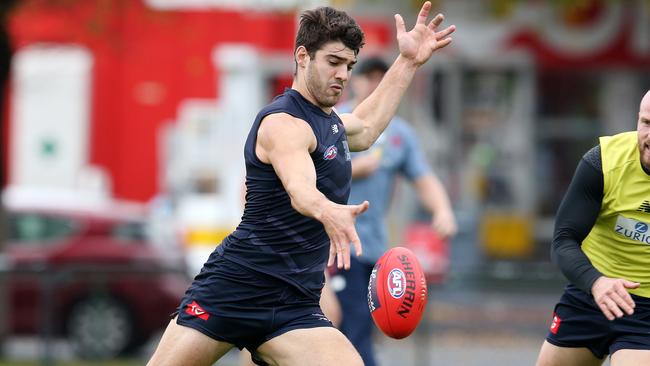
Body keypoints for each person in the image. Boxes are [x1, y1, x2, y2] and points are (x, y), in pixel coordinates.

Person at [146, 2, 455, 366]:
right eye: (333, 62)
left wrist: (408, 62)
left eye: (349, 66)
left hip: (294, 303)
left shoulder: (333, 123)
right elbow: (300, 189)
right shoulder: (283, 124)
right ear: (303, 56)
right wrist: (330, 211)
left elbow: (368, 127)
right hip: (235, 288)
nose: (342, 74)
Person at [330, 56, 457, 366]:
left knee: (368, 326)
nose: (374, 85)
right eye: (367, 77)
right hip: (334, 247)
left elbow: (423, 177)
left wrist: (442, 210)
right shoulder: (334, 120)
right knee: (350, 324)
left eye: (380, 78)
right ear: (353, 81)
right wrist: (355, 169)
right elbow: (306, 176)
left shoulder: (399, 133)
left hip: (375, 250)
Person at [535, 89, 650, 366]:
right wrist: (596, 282)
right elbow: (563, 240)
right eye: (646, 123)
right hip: (592, 293)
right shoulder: (603, 161)